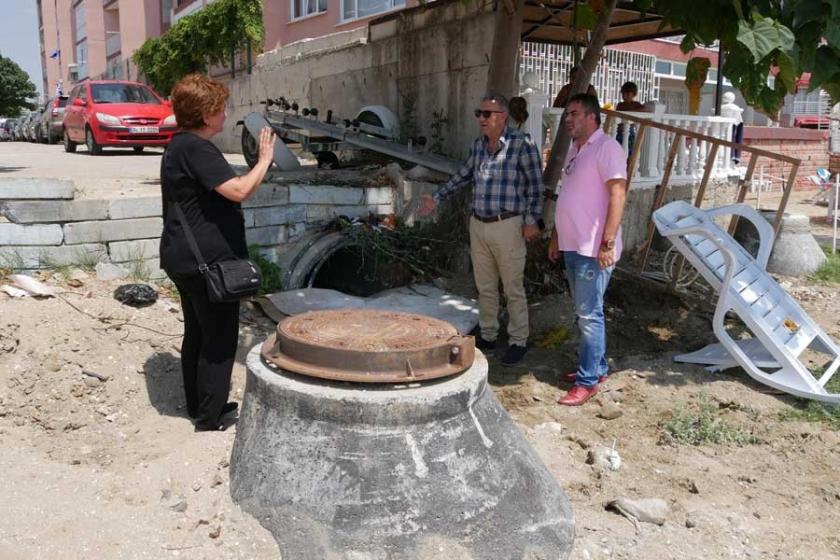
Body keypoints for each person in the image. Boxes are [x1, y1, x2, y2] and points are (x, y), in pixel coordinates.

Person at [159, 74, 276, 431]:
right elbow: (239, 189)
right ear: (207, 113)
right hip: (205, 264)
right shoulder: (196, 148)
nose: (225, 113)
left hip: (184, 257)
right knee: (220, 340)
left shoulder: (180, 146)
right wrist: (265, 160)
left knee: (197, 332)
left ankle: (198, 405)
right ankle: (210, 418)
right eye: (221, 107)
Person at [420, 93, 543, 366]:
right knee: (485, 286)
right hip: (479, 225)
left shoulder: (522, 144)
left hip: (508, 225)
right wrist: (436, 197)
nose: (481, 119)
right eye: (480, 113)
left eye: (487, 114)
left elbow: (536, 187)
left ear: (503, 117)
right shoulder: (478, 146)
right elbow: (463, 176)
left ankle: (518, 340)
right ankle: (488, 335)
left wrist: (532, 220)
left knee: (512, 287)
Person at [548, 93, 627, 406]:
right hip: (572, 246)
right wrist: (556, 237)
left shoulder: (607, 148)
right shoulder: (575, 150)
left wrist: (607, 242)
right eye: (567, 114)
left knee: (588, 315)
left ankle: (587, 381)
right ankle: (597, 367)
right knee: (586, 312)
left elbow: (618, 195)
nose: (568, 119)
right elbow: (567, 195)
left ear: (592, 117)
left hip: (593, 250)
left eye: (575, 113)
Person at [615, 81, 646, 152]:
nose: (625, 96)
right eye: (623, 93)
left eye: (628, 94)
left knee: (630, 151)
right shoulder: (620, 105)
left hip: (630, 131)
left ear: (633, 94)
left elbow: (644, 109)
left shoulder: (635, 104)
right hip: (619, 131)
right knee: (618, 151)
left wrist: (631, 111)